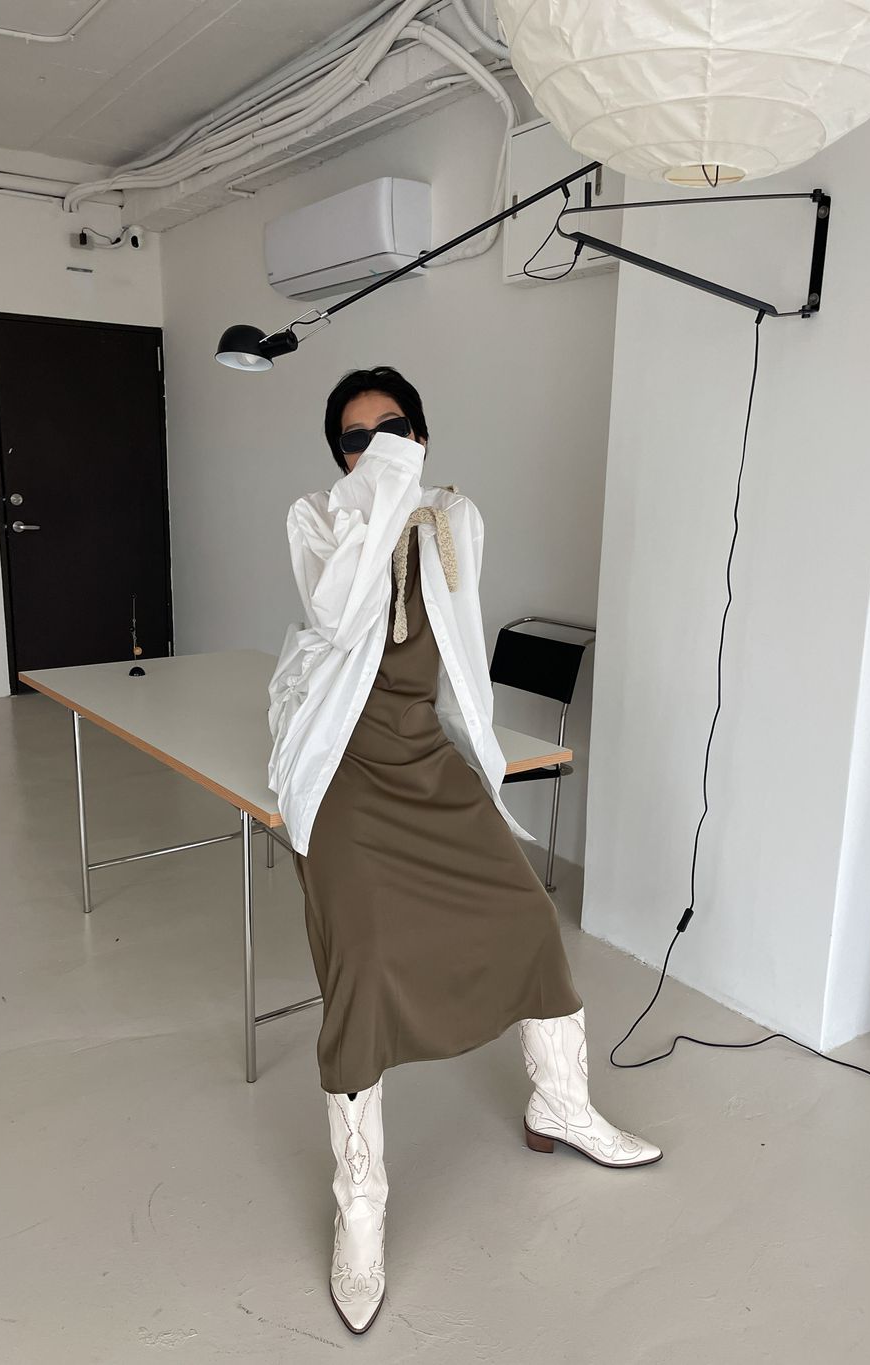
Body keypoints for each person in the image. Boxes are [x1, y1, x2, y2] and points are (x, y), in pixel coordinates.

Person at [268, 365, 662, 1336]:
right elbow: (337, 613)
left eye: (396, 428)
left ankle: (559, 1104)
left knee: (527, 917)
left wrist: (409, 498)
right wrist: (380, 491)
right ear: (339, 456)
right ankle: (361, 1204)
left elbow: (452, 647)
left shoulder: (453, 518)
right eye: (357, 438)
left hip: (421, 751)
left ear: (424, 433)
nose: (378, 448)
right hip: (341, 762)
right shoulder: (317, 520)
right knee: (363, 963)